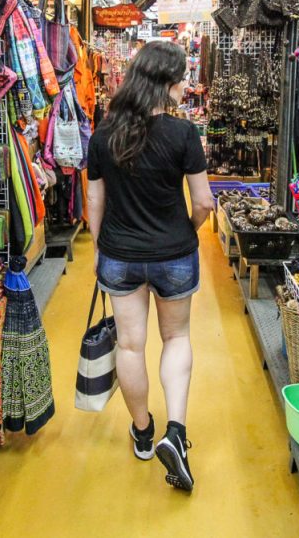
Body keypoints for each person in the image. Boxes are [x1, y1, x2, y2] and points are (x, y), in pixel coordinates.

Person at [86, 40, 215, 493]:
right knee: (176, 338)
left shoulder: (103, 135)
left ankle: (143, 433)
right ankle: (176, 432)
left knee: (130, 345)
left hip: (120, 255)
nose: (184, 86)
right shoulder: (183, 135)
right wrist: (187, 230)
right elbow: (204, 202)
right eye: (181, 79)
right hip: (174, 254)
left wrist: (101, 251)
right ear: (166, 82)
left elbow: (94, 202)